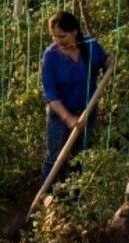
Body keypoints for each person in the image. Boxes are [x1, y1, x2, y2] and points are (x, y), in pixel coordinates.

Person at [40, 10, 111, 184]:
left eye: (62, 36)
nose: (58, 41)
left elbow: (105, 61)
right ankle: (48, 196)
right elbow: (51, 95)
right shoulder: (50, 57)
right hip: (60, 113)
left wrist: (110, 62)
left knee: (80, 156)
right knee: (55, 156)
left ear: (74, 32)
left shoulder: (90, 45)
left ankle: (73, 197)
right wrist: (69, 118)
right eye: (54, 37)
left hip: (87, 111)